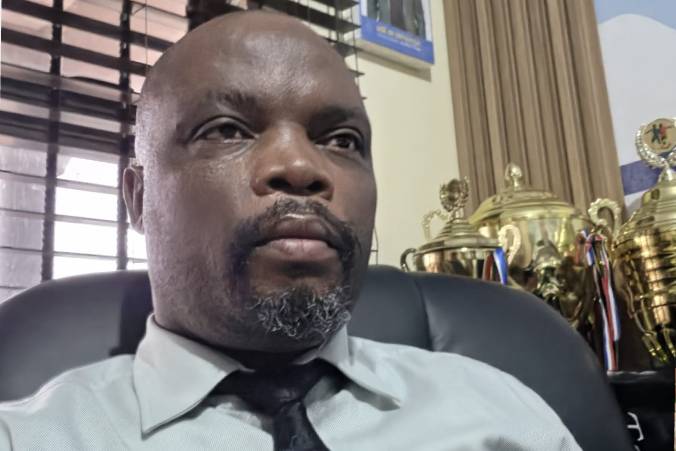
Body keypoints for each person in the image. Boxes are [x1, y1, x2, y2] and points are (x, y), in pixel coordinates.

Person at [0, 11, 580, 450]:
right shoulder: (30, 438)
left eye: (342, 140)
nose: (302, 167)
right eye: (226, 130)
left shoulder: (502, 412)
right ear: (138, 197)